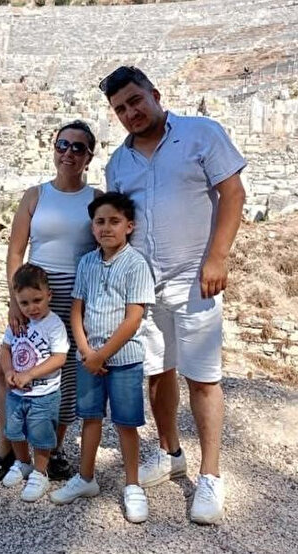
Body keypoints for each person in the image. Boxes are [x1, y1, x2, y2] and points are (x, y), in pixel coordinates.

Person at [99, 66, 247, 524]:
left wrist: (218, 257)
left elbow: (233, 193)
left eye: (135, 100)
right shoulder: (117, 164)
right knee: (157, 373)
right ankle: (170, 453)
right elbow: (118, 223)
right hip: (144, 286)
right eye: (120, 108)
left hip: (195, 279)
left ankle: (211, 475)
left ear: (155, 94)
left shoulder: (201, 134)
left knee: (203, 377)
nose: (131, 112)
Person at [0, 121, 102, 486]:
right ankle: (6, 448)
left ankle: (53, 448)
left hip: (75, 294)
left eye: (77, 147)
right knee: (8, 367)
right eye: (63, 144)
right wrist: (13, 301)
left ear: (89, 156)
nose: (68, 153)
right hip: (33, 292)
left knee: (65, 373)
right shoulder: (35, 195)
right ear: (54, 148)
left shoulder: (95, 198)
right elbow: (16, 251)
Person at [50, 192, 155, 523]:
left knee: (126, 423)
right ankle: (86, 477)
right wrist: (85, 351)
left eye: (114, 221)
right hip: (89, 358)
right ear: (92, 227)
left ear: (129, 226)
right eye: (100, 222)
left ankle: (133, 485)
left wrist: (101, 355)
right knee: (90, 417)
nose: (106, 228)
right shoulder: (87, 263)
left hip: (123, 359)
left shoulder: (136, 264)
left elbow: (133, 318)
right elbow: (76, 310)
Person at [0, 264, 68, 502]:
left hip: (43, 394)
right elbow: (5, 348)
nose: (32, 308)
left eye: (37, 300)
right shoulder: (18, 322)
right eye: (24, 303)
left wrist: (30, 374)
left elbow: (59, 358)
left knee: (41, 435)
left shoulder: (54, 325)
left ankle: (40, 472)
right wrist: (8, 370)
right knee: (14, 430)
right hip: (16, 393)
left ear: (49, 295)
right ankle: (23, 462)